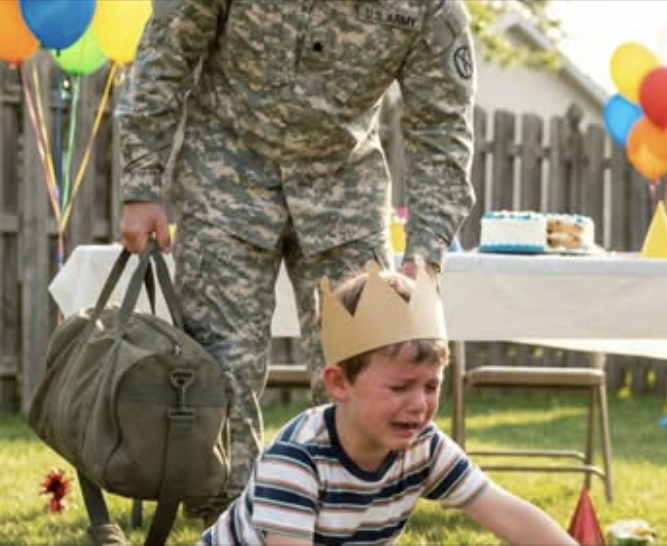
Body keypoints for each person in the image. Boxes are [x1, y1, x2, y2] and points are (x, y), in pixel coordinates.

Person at [115, 0, 477, 521]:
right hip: (226, 175)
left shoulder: (430, 7)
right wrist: (141, 185)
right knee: (221, 373)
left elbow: (442, 127)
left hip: (344, 191)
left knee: (366, 368)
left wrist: (426, 255)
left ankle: (345, 520)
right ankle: (231, 519)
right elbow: (164, 57)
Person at [201, 263, 576, 545]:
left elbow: (510, 516)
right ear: (338, 383)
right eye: (400, 388)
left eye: (431, 386)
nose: (419, 404)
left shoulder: (423, 447)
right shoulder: (297, 459)